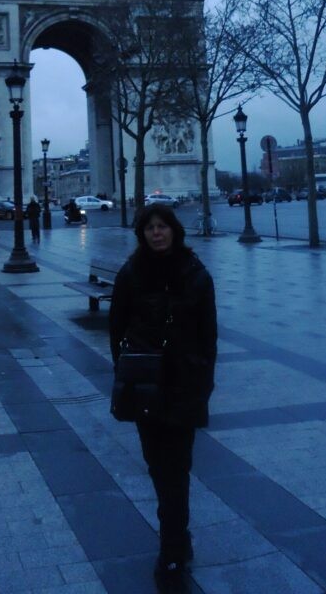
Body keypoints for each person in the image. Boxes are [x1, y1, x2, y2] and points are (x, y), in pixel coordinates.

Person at [109, 205, 217, 588]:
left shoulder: (196, 276)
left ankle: (171, 551)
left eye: (162, 227)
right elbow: (116, 328)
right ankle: (177, 537)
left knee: (177, 470)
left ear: (174, 231)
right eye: (150, 228)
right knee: (159, 468)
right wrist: (127, 373)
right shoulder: (130, 275)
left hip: (183, 385)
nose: (157, 233)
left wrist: (203, 383)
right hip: (145, 387)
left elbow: (209, 337)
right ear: (142, 234)